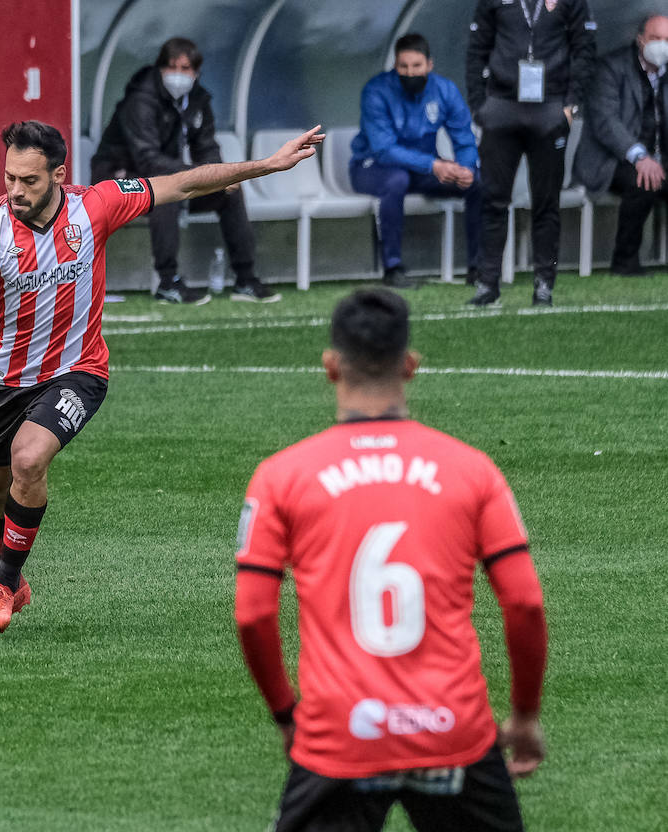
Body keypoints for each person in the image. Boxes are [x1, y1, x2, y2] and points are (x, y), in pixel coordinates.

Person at [0, 120, 323, 632]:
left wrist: (268, 165)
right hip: (7, 380)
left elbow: (183, 182)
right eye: (9, 177)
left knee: (28, 459)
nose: (15, 191)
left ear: (58, 173)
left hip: (80, 372)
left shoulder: (95, 205)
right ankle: (10, 577)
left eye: (29, 180)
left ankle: (2, 585)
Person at [235, 289, 549, 831]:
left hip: (339, 732)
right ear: (410, 366)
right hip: (453, 731)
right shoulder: (473, 471)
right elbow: (523, 602)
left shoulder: (281, 476)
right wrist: (522, 716)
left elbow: (253, 614)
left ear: (331, 367)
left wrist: (288, 716)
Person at [91, 37, 280, 303]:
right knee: (163, 194)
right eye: (172, 67)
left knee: (229, 191)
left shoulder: (198, 100)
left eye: (186, 68)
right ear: (160, 68)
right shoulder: (140, 99)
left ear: (196, 72)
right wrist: (195, 175)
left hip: (165, 174)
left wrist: (219, 176)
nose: (178, 75)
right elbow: (148, 160)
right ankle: (169, 283)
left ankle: (246, 279)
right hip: (118, 177)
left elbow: (207, 147)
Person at [466, 0, 597, 307]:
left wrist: (571, 105)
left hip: (550, 108)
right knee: (493, 200)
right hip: (501, 107)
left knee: (546, 204)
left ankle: (543, 284)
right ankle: (487, 283)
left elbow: (585, 49)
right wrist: (478, 105)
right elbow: (476, 49)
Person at [351, 33, 483, 289]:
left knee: (476, 182)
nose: (410, 73)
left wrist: (465, 168)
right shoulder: (376, 91)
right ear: (395, 66)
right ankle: (393, 268)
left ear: (429, 65)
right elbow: (384, 150)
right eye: (404, 67)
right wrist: (434, 165)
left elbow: (464, 139)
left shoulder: (444, 90)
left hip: (423, 170)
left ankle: (479, 268)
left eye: (416, 66)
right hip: (372, 168)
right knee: (396, 180)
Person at [572, 14, 668, 276]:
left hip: (659, 160)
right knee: (644, 182)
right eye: (656, 39)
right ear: (640, 40)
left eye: (667, 40)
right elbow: (606, 123)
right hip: (612, 162)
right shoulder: (610, 68)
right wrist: (641, 157)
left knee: (653, 176)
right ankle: (625, 262)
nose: (662, 45)